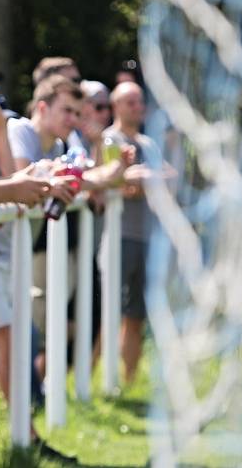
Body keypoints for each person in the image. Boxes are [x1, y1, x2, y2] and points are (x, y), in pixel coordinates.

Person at [103, 82, 158, 383]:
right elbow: (121, 186)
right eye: (130, 102)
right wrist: (148, 181)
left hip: (147, 238)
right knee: (106, 309)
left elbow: (170, 182)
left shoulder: (149, 145)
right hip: (117, 237)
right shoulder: (109, 140)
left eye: (139, 101)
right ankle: (88, 378)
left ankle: (129, 381)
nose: (138, 106)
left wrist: (142, 180)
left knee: (136, 314)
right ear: (116, 106)